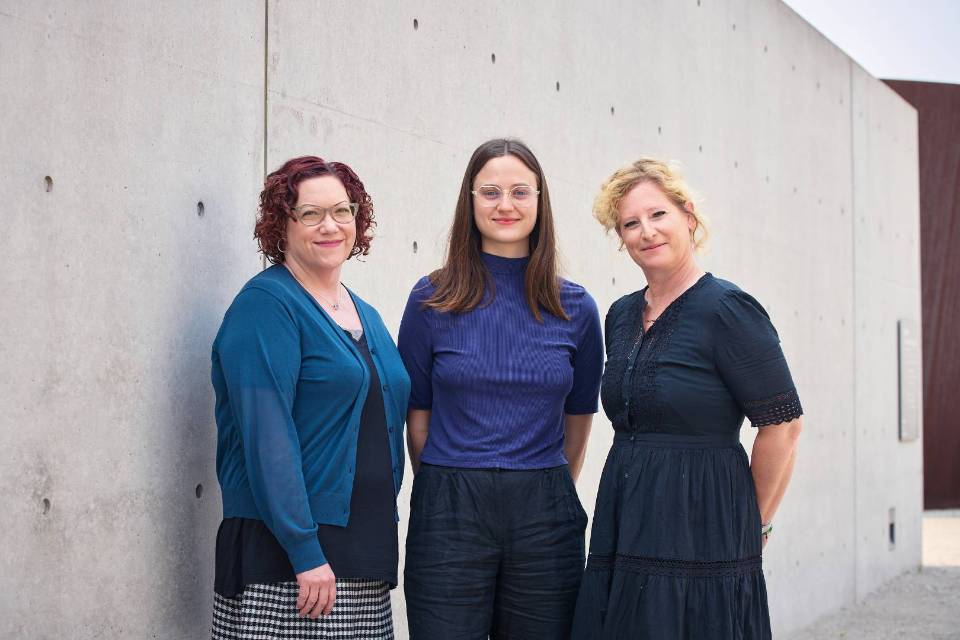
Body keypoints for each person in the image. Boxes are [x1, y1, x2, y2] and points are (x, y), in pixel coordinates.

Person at [571, 159, 803, 639]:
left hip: (705, 524)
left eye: (658, 215)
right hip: (627, 515)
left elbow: (783, 424)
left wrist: (750, 523)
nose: (646, 232)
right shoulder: (620, 315)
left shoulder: (728, 309)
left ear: (689, 217)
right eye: (630, 223)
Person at [398, 138, 604, 639]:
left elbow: (578, 422)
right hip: (448, 508)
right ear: (470, 201)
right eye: (490, 192)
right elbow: (417, 415)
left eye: (519, 191)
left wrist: (543, 486)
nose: (505, 205)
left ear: (540, 200)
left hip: (545, 513)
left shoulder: (575, 307)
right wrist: (451, 482)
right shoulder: (432, 297)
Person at [210, 156, 410, 639]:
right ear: (283, 224)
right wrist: (305, 550)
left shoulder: (366, 313)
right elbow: (265, 437)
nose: (330, 226)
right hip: (291, 562)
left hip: (360, 554)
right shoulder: (266, 307)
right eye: (310, 214)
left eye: (342, 211)